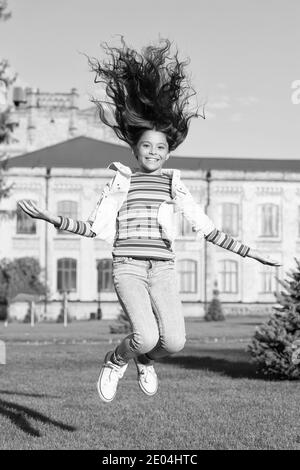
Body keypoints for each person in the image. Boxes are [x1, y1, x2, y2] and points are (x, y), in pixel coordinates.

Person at [18, 38, 280, 403]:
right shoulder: (120, 182)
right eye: (147, 146)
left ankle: (145, 359)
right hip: (128, 268)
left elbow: (206, 229)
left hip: (163, 270)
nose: (154, 152)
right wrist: (50, 217)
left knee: (172, 342)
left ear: (168, 152)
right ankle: (115, 360)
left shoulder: (175, 184)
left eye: (161, 147)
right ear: (135, 149)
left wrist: (252, 253)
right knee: (145, 334)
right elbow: (92, 228)